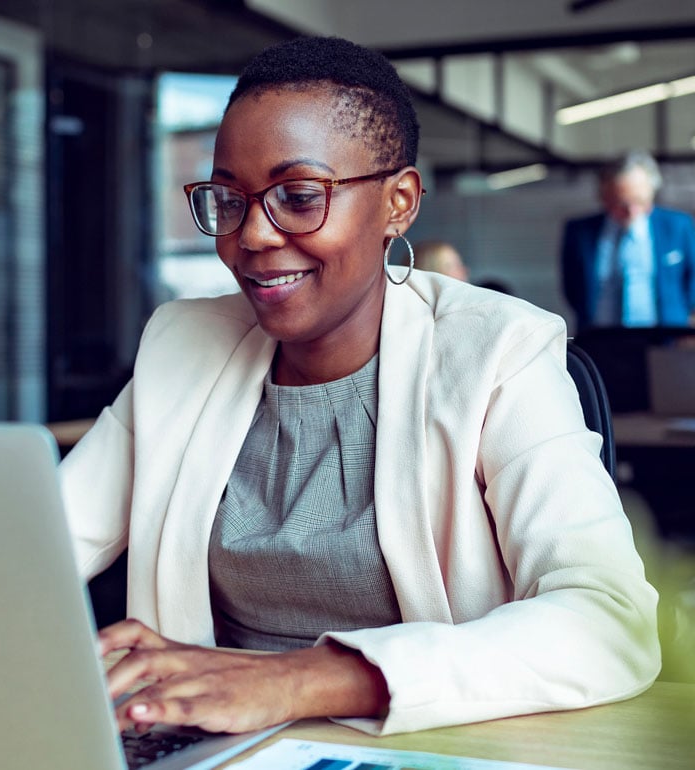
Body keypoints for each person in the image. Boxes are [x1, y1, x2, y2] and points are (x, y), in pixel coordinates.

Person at [59, 36, 660, 737]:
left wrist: (297, 682)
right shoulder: (181, 346)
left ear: (398, 202)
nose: (251, 235)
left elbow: (608, 618)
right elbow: (34, 552)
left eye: (299, 195)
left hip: (425, 746)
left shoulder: (499, 350)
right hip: (210, 747)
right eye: (229, 199)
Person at [561, 150, 695, 331]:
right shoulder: (579, 232)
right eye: (622, 203)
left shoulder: (678, 226)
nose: (632, 211)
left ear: (651, 193)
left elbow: (691, 280)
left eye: (640, 201)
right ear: (604, 197)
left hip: (665, 338)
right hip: (599, 338)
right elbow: (572, 288)